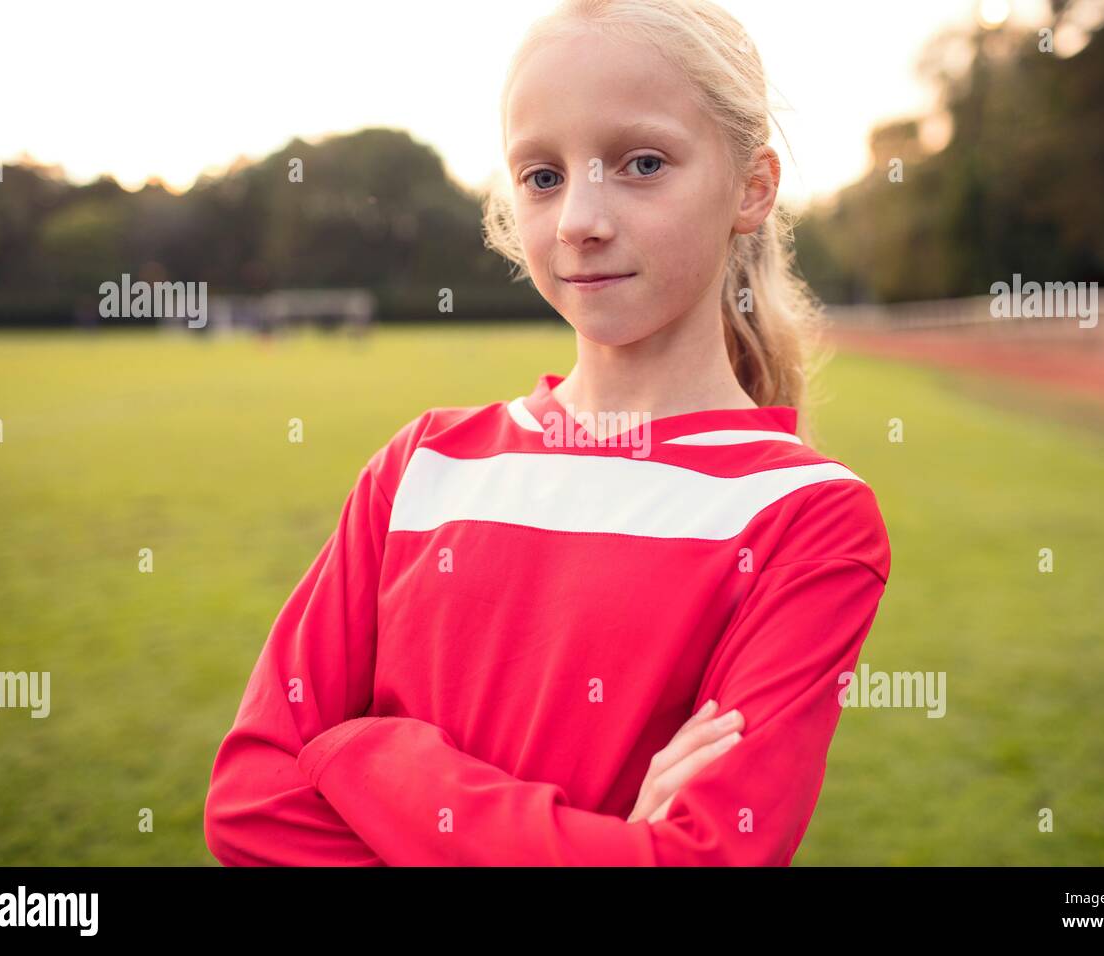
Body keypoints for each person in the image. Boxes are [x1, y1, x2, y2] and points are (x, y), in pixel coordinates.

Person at [203, 0, 891, 866]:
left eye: (642, 163)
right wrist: (607, 845)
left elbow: (704, 859)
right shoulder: (420, 467)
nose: (577, 220)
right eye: (542, 175)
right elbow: (249, 810)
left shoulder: (807, 517)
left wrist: (374, 758)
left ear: (751, 187)